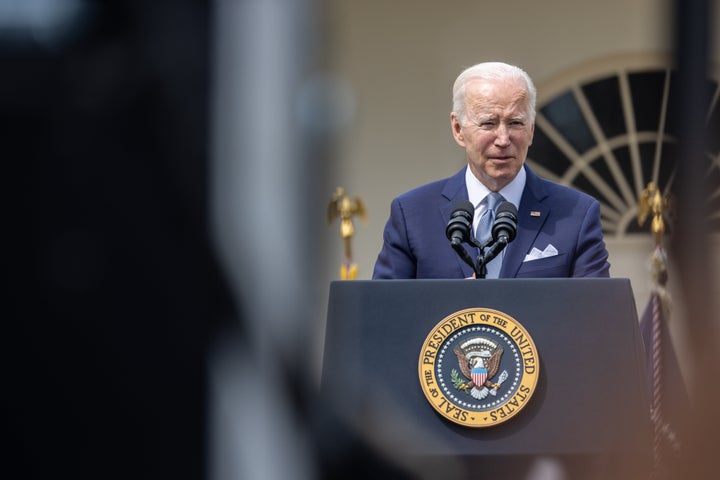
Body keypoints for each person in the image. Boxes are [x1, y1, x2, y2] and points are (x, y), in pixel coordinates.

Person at [372, 61, 610, 279]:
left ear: (531, 130)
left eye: (515, 123)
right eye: (489, 123)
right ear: (458, 129)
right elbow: (384, 312)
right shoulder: (412, 214)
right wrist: (449, 305)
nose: (503, 139)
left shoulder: (576, 214)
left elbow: (596, 314)